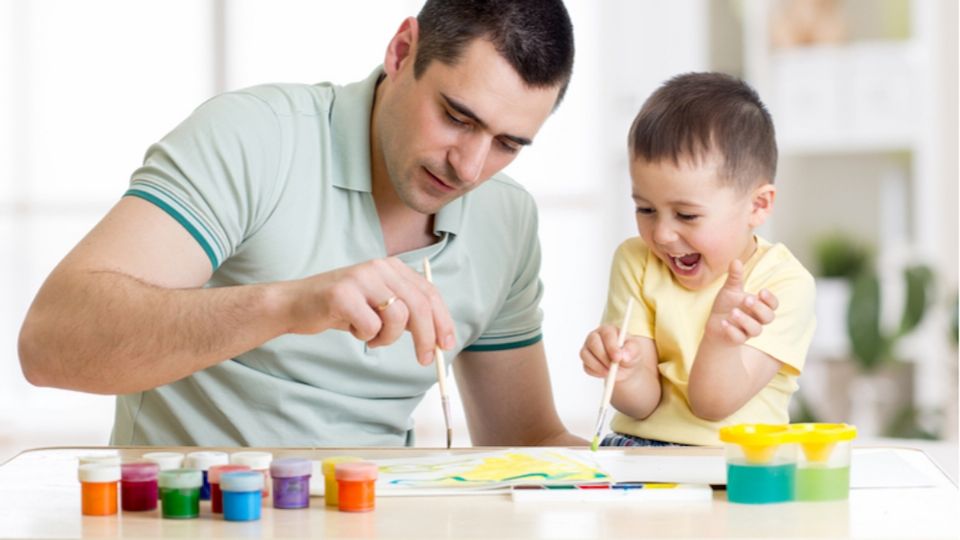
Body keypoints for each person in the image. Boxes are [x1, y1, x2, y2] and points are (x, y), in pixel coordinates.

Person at [18, 0, 585, 448]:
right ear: (402, 50)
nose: (469, 167)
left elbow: (527, 440)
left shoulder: (507, 217)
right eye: (456, 117)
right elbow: (48, 345)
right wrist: (291, 306)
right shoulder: (254, 138)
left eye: (508, 144)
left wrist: (659, 454)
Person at [579, 72, 815, 447]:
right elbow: (641, 404)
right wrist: (619, 371)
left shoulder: (782, 284)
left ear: (758, 205)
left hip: (735, 462)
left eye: (686, 215)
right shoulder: (636, 260)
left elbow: (712, 405)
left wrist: (719, 338)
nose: (662, 235)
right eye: (645, 209)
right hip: (636, 451)